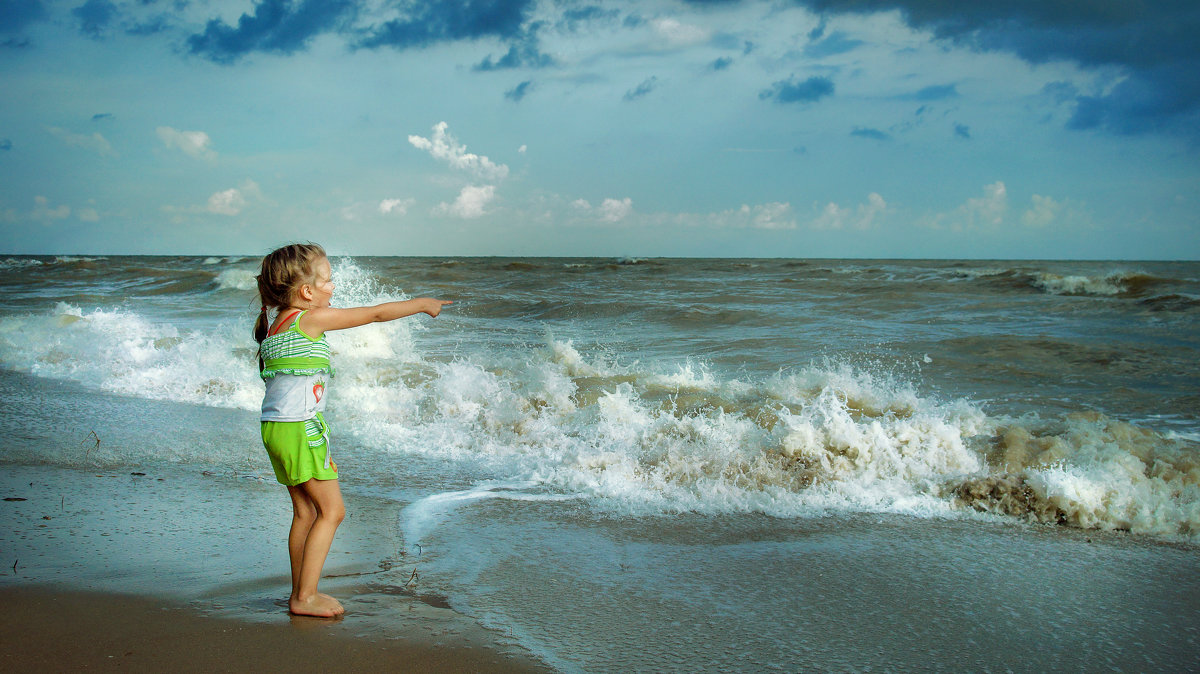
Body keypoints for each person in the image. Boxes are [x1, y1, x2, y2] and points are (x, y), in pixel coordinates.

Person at [253, 243, 451, 618]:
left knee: (305, 513)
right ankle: (304, 597)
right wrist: (423, 303)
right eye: (327, 280)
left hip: (276, 429)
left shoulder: (275, 327)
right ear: (307, 292)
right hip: (299, 430)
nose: (333, 286)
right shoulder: (308, 319)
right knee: (333, 511)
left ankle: (301, 592)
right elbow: (375, 314)